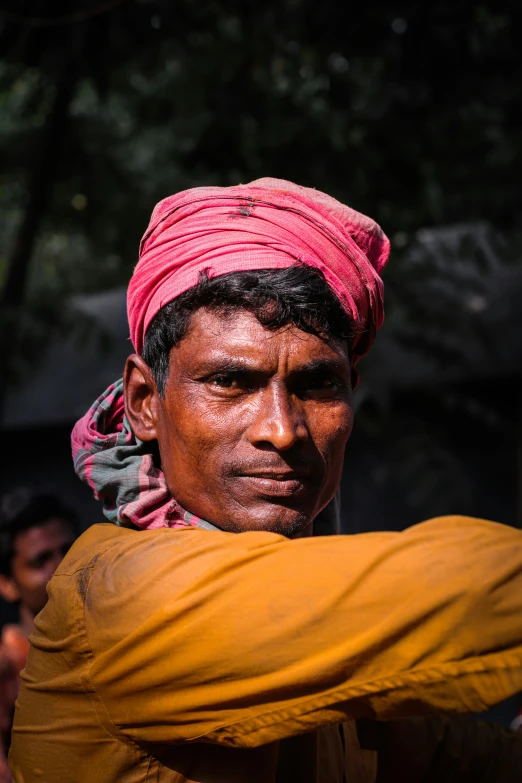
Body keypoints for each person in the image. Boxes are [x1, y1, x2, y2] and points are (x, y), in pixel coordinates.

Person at [9, 178, 522, 782]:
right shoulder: (123, 599)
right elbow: (471, 593)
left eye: (317, 384)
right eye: (230, 382)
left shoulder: (320, 641)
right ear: (146, 401)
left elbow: (460, 759)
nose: (283, 430)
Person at [0, 489, 77, 782]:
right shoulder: (8, 668)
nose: (62, 568)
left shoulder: (111, 639)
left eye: (68, 550)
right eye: (40, 560)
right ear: (7, 584)